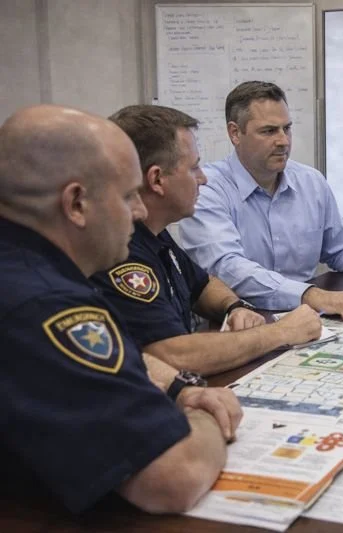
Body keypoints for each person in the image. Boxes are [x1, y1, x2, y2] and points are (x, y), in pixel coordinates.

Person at [0, 105, 243, 514]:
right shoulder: (48, 306)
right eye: (128, 195)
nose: (141, 211)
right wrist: (205, 417)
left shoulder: (28, 268)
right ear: (76, 204)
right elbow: (174, 478)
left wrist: (180, 390)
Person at [91, 105, 321, 376]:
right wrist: (281, 332)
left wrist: (234, 306)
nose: (203, 178)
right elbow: (173, 355)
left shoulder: (155, 232)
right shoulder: (122, 249)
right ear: (156, 180)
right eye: (194, 167)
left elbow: (201, 284)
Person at [178, 81, 343, 320]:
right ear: (235, 133)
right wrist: (311, 296)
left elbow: (340, 247)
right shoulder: (207, 188)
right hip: (240, 322)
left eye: (286, 128)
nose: (283, 141)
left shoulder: (311, 182)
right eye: (269, 131)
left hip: (308, 319)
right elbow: (229, 269)